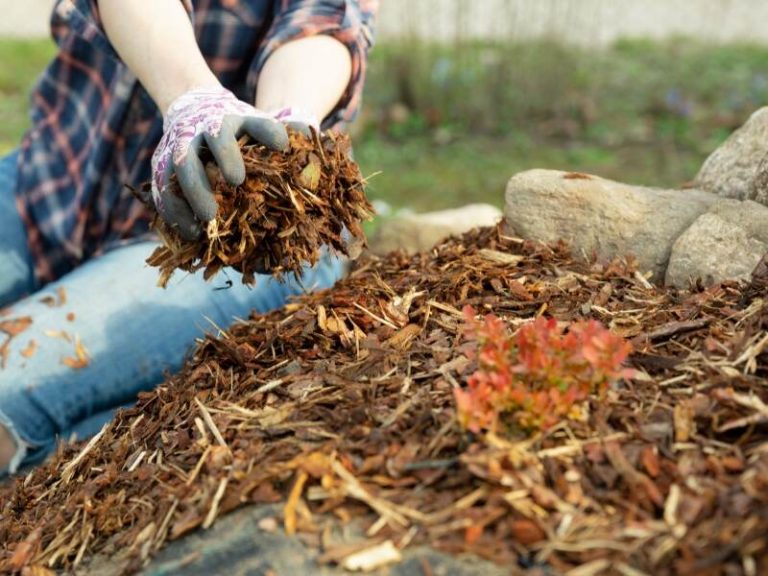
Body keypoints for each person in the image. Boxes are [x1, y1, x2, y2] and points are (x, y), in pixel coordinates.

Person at [0, 0, 378, 475]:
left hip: (219, 247)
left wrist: (286, 124)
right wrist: (192, 100)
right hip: (53, 181)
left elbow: (321, 24)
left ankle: (100, 436)